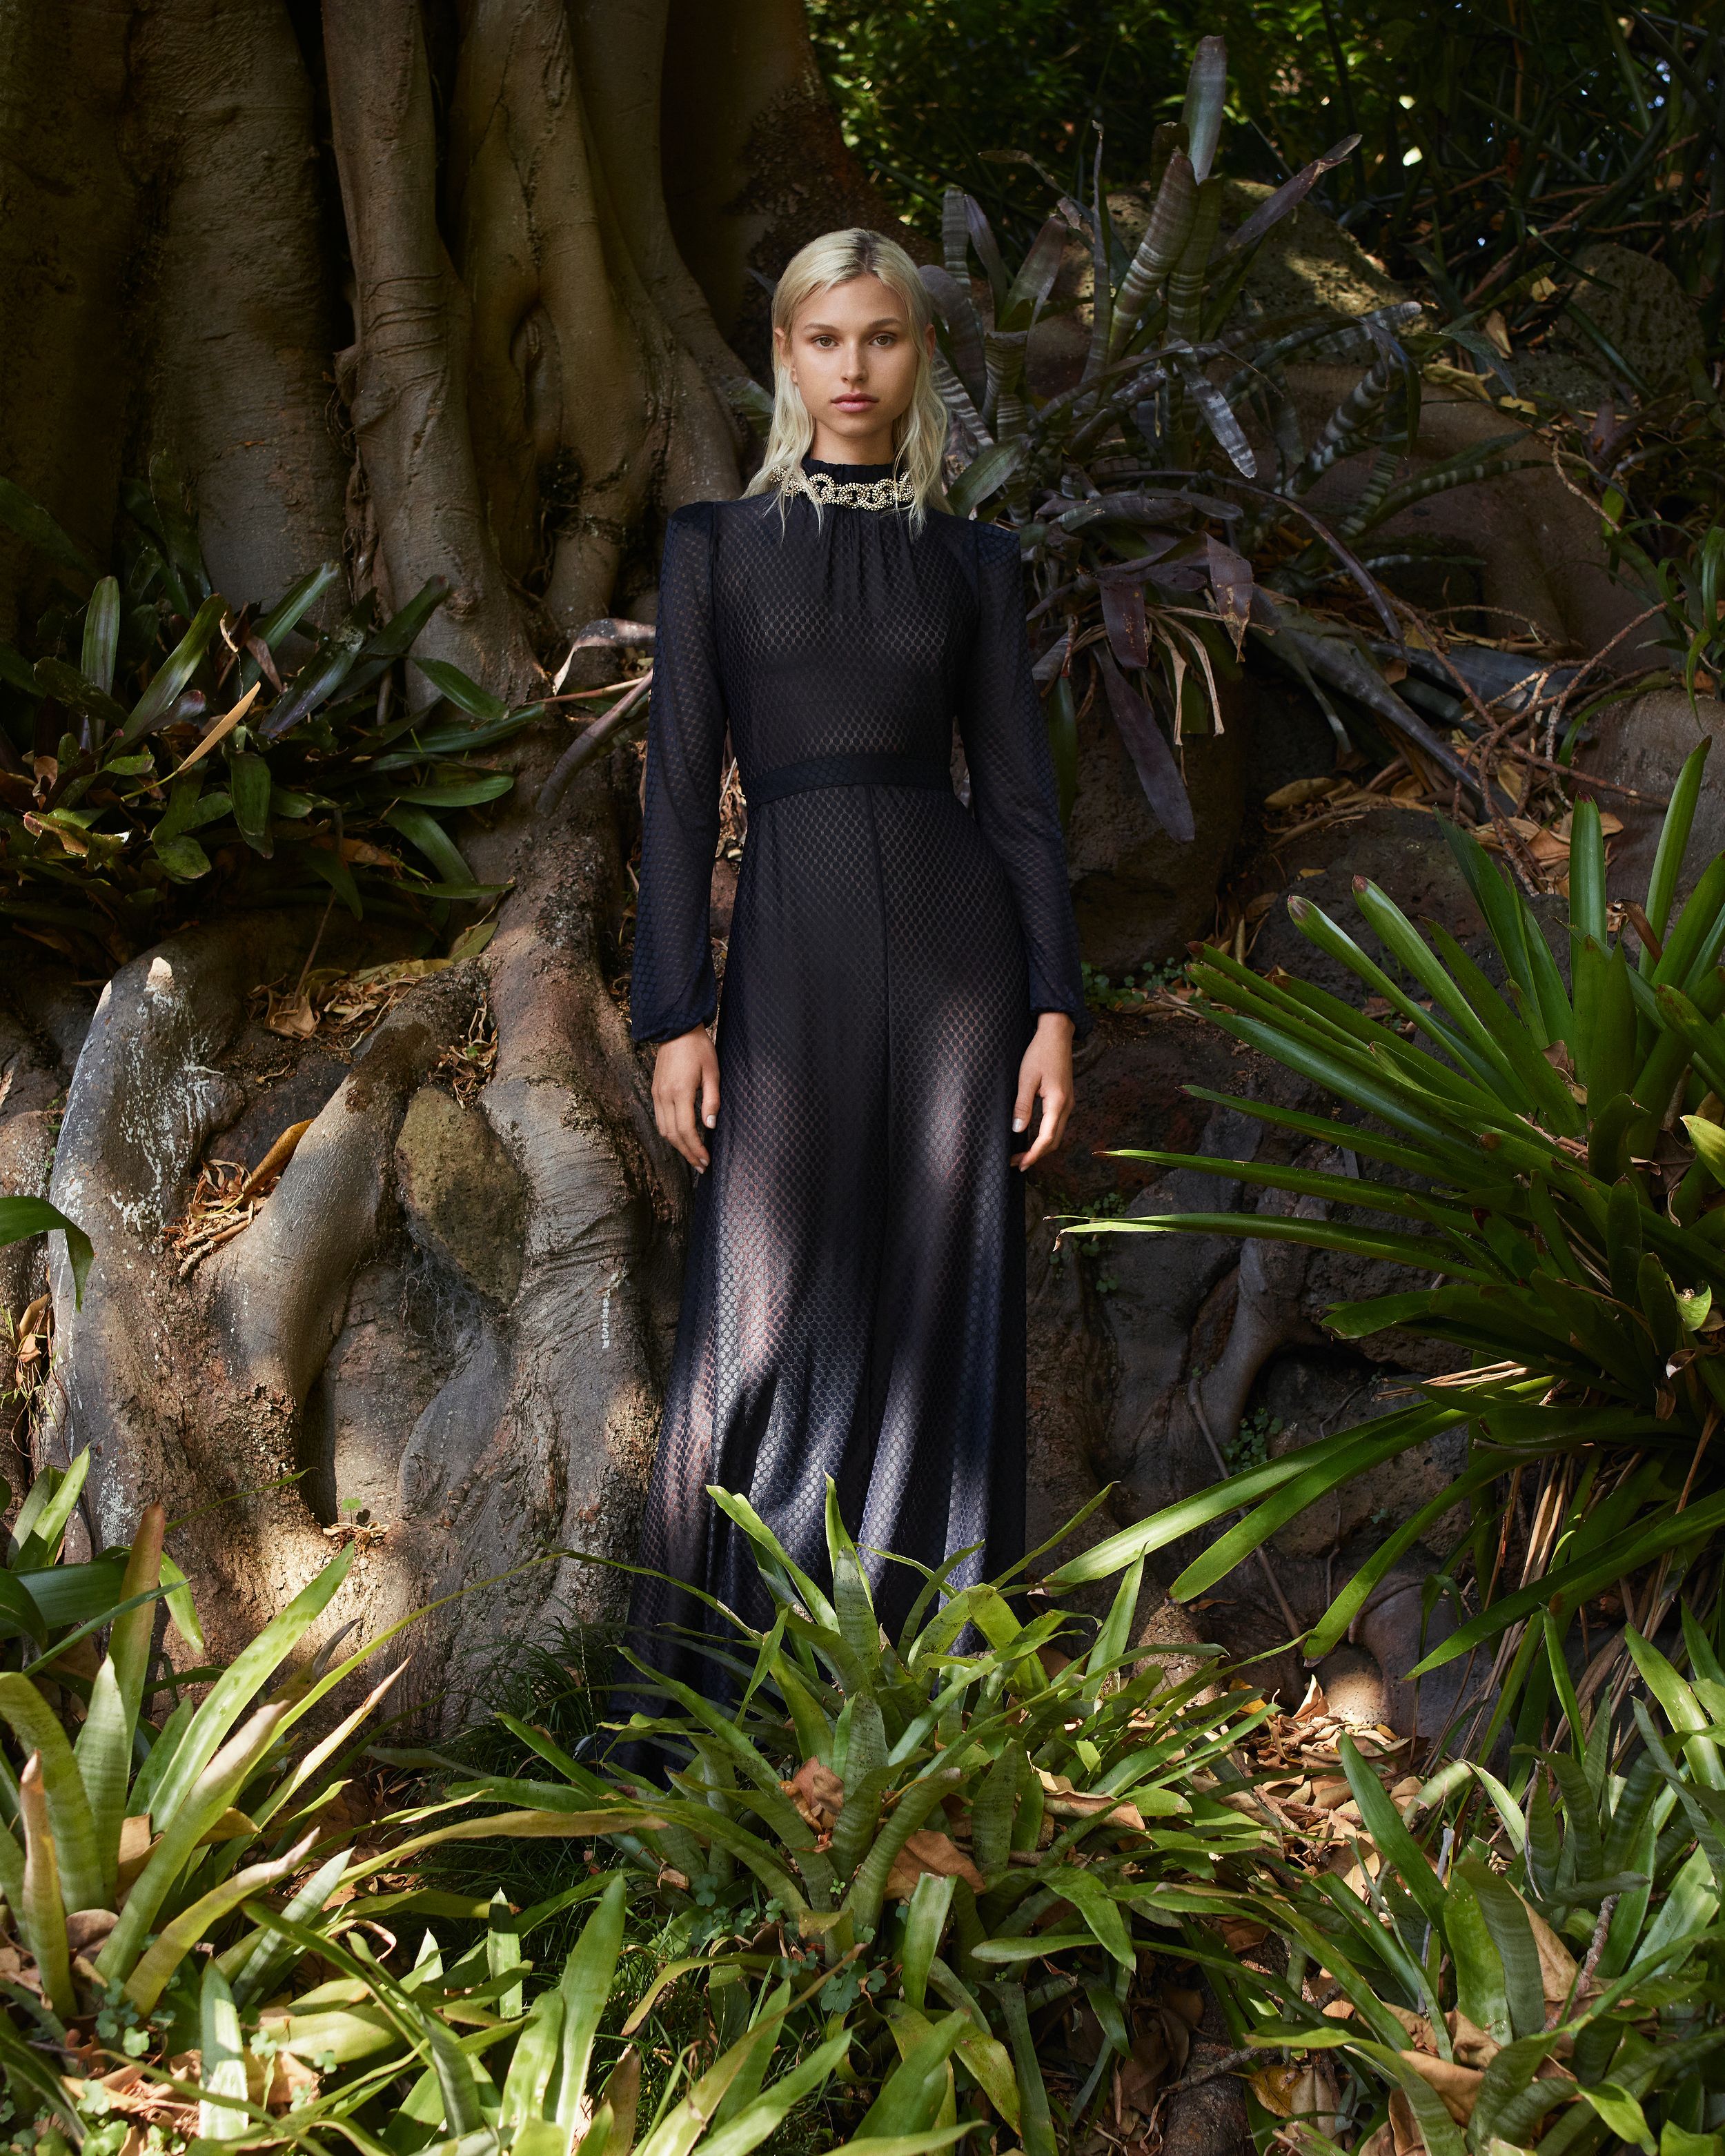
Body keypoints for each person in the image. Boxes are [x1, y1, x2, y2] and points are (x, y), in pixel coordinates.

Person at [618, 224, 1090, 1722]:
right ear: (783, 357)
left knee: (935, 1285)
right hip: (788, 958)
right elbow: (680, 797)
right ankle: (731, 1693)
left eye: (882, 338)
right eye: (826, 340)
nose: (854, 370)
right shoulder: (712, 548)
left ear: (918, 356)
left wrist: (1054, 1011)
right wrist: (672, 1018)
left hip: (957, 970)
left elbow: (1015, 798)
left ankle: (924, 1680)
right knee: (760, 1299)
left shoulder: (971, 561)